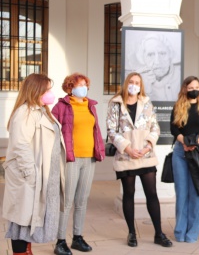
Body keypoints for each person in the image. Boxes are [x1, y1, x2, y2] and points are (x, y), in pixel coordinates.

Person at [106, 72, 172, 248]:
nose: (134, 85)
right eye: (132, 82)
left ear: (140, 86)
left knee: (152, 194)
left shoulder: (146, 103)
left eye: (137, 83)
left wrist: (147, 147)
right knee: (129, 194)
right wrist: (127, 148)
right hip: (126, 156)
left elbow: (155, 127)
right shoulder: (116, 103)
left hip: (145, 156)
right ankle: (132, 233)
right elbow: (111, 130)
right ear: (126, 83)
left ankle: (159, 233)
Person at [3, 73, 66, 255]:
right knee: (22, 220)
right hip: (29, 177)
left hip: (44, 174)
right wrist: (32, 175)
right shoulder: (25, 112)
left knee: (31, 220)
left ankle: (27, 251)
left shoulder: (42, 111)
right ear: (36, 90)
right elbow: (20, 145)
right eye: (47, 89)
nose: (50, 93)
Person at [51, 73, 105, 255]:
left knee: (82, 200)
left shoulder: (90, 105)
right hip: (71, 159)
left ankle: (77, 237)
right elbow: (52, 132)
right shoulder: (61, 106)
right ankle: (60, 241)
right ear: (70, 87)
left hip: (89, 158)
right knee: (66, 201)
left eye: (85, 84)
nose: (84, 88)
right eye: (80, 84)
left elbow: (95, 130)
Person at [170, 76, 199, 243]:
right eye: (191, 87)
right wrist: (185, 142)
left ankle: (192, 233)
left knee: (197, 192)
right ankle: (180, 232)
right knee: (181, 193)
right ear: (185, 89)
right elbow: (173, 128)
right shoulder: (178, 107)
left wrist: (194, 143)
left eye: (197, 86)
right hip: (181, 152)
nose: (194, 89)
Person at [129, 34, 181, 101]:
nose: (157, 61)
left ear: (170, 55)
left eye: (162, 53)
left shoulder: (179, 76)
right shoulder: (137, 78)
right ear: (143, 58)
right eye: (150, 55)